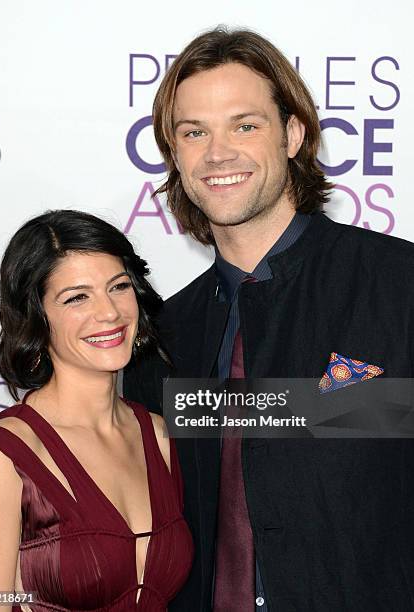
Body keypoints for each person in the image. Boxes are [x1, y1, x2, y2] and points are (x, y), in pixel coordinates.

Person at [123, 27, 414, 612]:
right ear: (175, 154)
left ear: (292, 134)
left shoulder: (396, 284)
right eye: (193, 131)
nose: (217, 152)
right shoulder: (161, 336)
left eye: (244, 125)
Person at [0, 210, 193, 611]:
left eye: (119, 286)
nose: (109, 312)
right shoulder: (0, 457)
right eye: (77, 297)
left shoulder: (158, 435)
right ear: (36, 317)